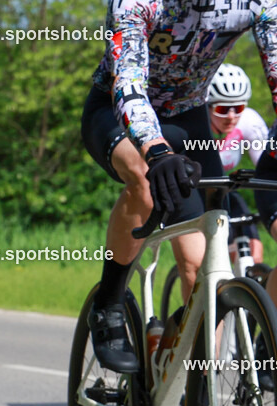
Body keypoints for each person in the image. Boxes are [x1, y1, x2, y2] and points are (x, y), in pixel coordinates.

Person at [81, 0, 277, 375]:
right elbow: (129, 82)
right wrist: (155, 151)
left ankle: (193, 386)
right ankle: (109, 303)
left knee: (202, 267)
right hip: (115, 110)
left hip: (189, 118)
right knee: (143, 176)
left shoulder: (258, 4)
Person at [207, 64, 270, 264]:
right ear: (207, 106)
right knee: (210, 258)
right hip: (195, 192)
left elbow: (266, 169)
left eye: (239, 108)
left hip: (225, 190)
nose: (232, 116)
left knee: (254, 251)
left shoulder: (249, 121)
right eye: (223, 109)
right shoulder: (197, 124)